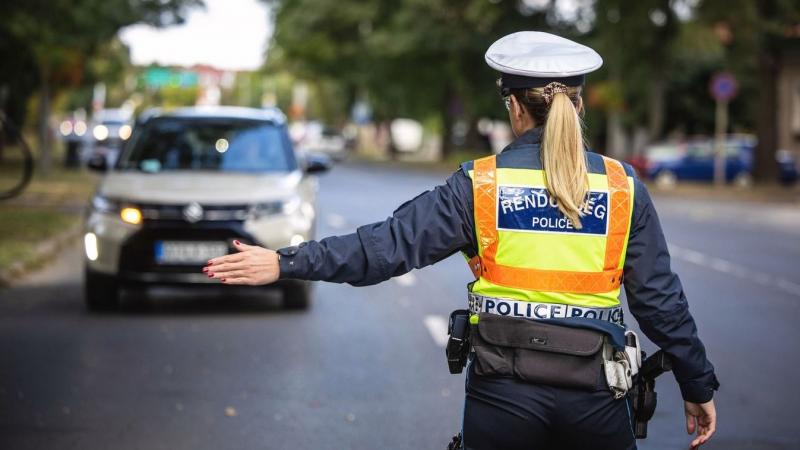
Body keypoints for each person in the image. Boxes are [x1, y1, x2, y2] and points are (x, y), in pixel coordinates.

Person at [203, 31, 719, 450]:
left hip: (504, 398)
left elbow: (384, 248)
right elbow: (660, 303)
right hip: (596, 399)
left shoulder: (481, 185)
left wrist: (284, 262)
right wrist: (697, 385)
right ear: (578, 105)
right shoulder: (622, 188)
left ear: (515, 108)